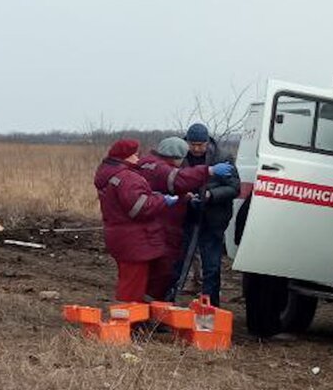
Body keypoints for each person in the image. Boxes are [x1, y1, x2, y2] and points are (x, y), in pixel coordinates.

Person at [135, 136, 232, 299]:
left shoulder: (145, 163)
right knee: (164, 270)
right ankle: (156, 308)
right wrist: (210, 171)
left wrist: (185, 198)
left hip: (157, 224)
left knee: (155, 269)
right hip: (165, 225)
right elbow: (180, 180)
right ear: (174, 156)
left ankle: (151, 304)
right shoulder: (162, 168)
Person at [94, 138, 178, 302]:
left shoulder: (107, 174)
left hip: (118, 236)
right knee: (132, 285)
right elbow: (139, 208)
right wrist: (162, 200)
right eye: (135, 155)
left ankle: (140, 317)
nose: (138, 159)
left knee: (133, 280)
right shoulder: (127, 178)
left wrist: (152, 197)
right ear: (126, 156)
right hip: (135, 240)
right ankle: (127, 321)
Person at [173, 123, 241, 307]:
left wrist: (211, 195)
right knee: (178, 262)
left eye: (200, 145)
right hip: (186, 217)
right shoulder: (180, 156)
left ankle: (211, 306)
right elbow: (173, 181)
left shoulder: (223, 157)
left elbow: (235, 188)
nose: (196, 149)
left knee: (211, 266)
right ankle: (168, 301)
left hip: (213, 218)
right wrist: (185, 195)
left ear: (207, 142)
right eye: (192, 144)